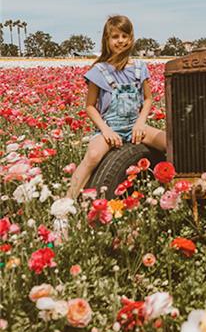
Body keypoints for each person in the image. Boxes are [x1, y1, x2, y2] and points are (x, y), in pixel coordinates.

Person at [66, 15, 166, 199]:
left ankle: (175, 189)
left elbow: (148, 99)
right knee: (94, 155)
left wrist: (140, 123)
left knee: (169, 143)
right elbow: (90, 106)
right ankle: (65, 204)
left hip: (136, 126)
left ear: (131, 38)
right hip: (110, 127)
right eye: (115, 36)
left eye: (124, 36)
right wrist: (106, 130)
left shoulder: (139, 68)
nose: (120, 41)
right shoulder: (99, 71)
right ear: (107, 40)